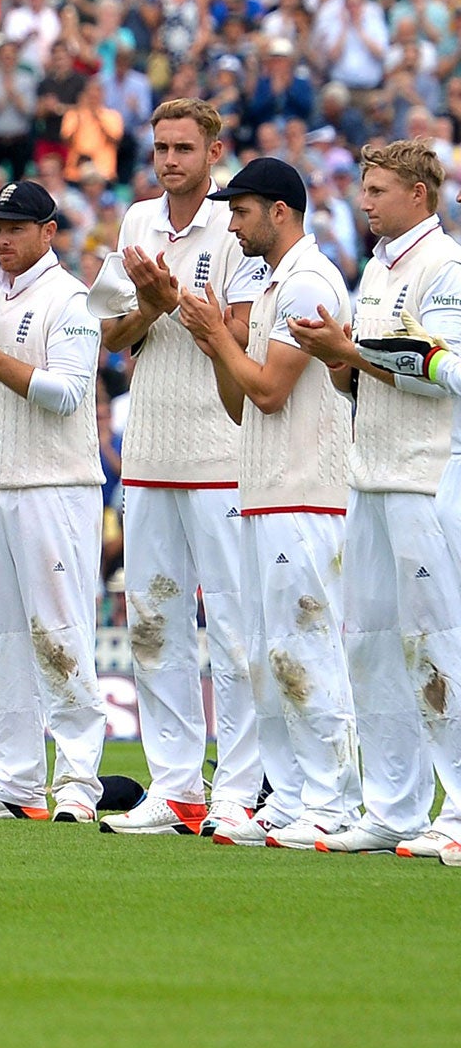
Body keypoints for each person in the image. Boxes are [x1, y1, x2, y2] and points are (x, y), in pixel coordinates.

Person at [93, 100, 266, 836]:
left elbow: (241, 334)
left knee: (231, 626)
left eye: (184, 147)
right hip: (151, 450)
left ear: (213, 151)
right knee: (155, 624)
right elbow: (107, 334)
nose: (169, 159)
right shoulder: (137, 223)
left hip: (223, 450)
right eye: (161, 147)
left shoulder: (239, 227)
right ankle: (174, 786)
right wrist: (151, 304)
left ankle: (239, 787)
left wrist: (174, 304)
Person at [283, 140, 461, 856]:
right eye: (365, 188)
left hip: (428, 475)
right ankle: (393, 805)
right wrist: (340, 358)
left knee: (437, 643)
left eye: (379, 190)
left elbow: (442, 367)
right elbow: (371, 375)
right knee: (373, 647)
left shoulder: (444, 266)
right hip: (373, 472)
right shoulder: (380, 269)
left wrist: (350, 349)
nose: (364, 201)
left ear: (419, 194)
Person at [177, 157, 360, 850]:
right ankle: (288, 796)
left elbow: (271, 393)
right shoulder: (273, 282)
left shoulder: (308, 281)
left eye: (242, 210)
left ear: (279, 211)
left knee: (303, 646)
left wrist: (220, 337)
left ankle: (333, 799)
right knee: (266, 651)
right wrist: (211, 342)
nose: (232, 222)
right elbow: (240, 404)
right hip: (265, 487)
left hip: (305, 492)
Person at [0, 178, 107, 822]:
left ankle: (78, 783)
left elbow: (64, 395)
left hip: (56, 486)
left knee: (60, 630)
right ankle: (15, 780)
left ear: (47, 233)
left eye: (16, 229)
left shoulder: (72, 300)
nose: (3, 240)